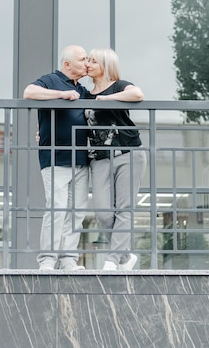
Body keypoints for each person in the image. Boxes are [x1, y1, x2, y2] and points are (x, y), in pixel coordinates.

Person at [23, 44, 90, 271]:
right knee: (57, 209)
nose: (87, 63)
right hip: (55, 158)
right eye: (82, 59)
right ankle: (48, 260)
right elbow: (29, 93)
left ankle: (68, 259)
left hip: (81, 159)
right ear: (67, 64)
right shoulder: (51, 80)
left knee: (77, 211)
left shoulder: (82, 89)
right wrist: (61, 95)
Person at [85, 48, 146, 271]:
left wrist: (106, 99)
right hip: (100, 158)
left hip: (129, 153)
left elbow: (138, 95)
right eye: (88, 61)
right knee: (103, 214)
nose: (88, 64)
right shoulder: (85, 94)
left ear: (105, 64)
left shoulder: (120, 85)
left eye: (93, 61)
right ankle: (125, 257)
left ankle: (111, 259)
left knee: (124, 208)